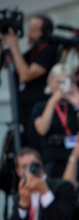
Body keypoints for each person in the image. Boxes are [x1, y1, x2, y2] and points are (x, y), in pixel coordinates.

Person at [1, 16, 59, 146]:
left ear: (44, 33)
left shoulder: (50, 50)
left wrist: (15, 48)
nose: (29, 34)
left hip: (39, 111)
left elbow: (26, 74)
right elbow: (8, 64)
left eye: (33, 31)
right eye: (29, 30)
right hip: (24, 111)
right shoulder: (33, 52)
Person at [31, 64, 79, 177]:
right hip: (51, 159)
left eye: (65, 81)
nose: (62, 86)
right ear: (50, 82)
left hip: (75, 156)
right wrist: (53, 100)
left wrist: (78, 105)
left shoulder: (75, 106)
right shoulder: (40, 107)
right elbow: (42, 130)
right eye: (58, 82)